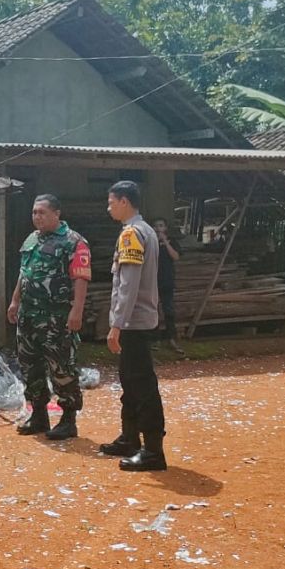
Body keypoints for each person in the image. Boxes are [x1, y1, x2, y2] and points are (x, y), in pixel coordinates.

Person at [6, 194, 91, 440]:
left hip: (57, 317)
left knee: (61, 366)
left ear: (57, 214)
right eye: (34, 212)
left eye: (42, 212)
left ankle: (68, 420)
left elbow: (81, 277)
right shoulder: (32, 239)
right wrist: (15, 300)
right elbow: (25, 273)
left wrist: (77, 311)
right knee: (29, 365)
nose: (37, 217)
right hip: (29, 315)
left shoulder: (74, 242)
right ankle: (39, 414)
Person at [99, 181, 166, 472]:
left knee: (141, 384)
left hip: (133, 322)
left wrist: (117, 325)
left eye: (112, 202)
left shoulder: (131, 234)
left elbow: (128, 285)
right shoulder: (146, 230)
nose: (109, 207)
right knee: (129, 380)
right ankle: (130, 438)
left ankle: (153, 451)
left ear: (124, 201)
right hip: (136, 320)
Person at [154, 218, 183, 352]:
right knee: (153, 311)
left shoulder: (172, 242)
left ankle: (172, 338)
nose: (158, 229)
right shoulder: (150, 243)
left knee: (169, 311)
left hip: (167, 280)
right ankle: (156, 339)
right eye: (156, 226)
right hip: (153, 282)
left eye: (160, 226)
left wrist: (165, 242)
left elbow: (176, 257)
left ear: (165, 228)